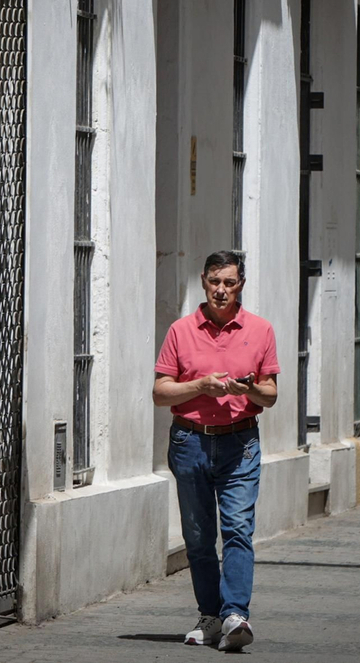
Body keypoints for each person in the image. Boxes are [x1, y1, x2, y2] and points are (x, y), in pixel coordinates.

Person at [153, 250, 280, 651]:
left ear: (240, 284)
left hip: (240, 443)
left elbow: (271, 395)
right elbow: (160, 392)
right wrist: (200, 386)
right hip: (190, 441)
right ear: (203, 282)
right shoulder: (181, 331)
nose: (221, 290)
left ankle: (235, 615)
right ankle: (210, 616)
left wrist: (249, 389)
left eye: (229, 282)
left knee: (238, 527)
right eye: (214, 282)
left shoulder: (260, 330)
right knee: (198, 534)